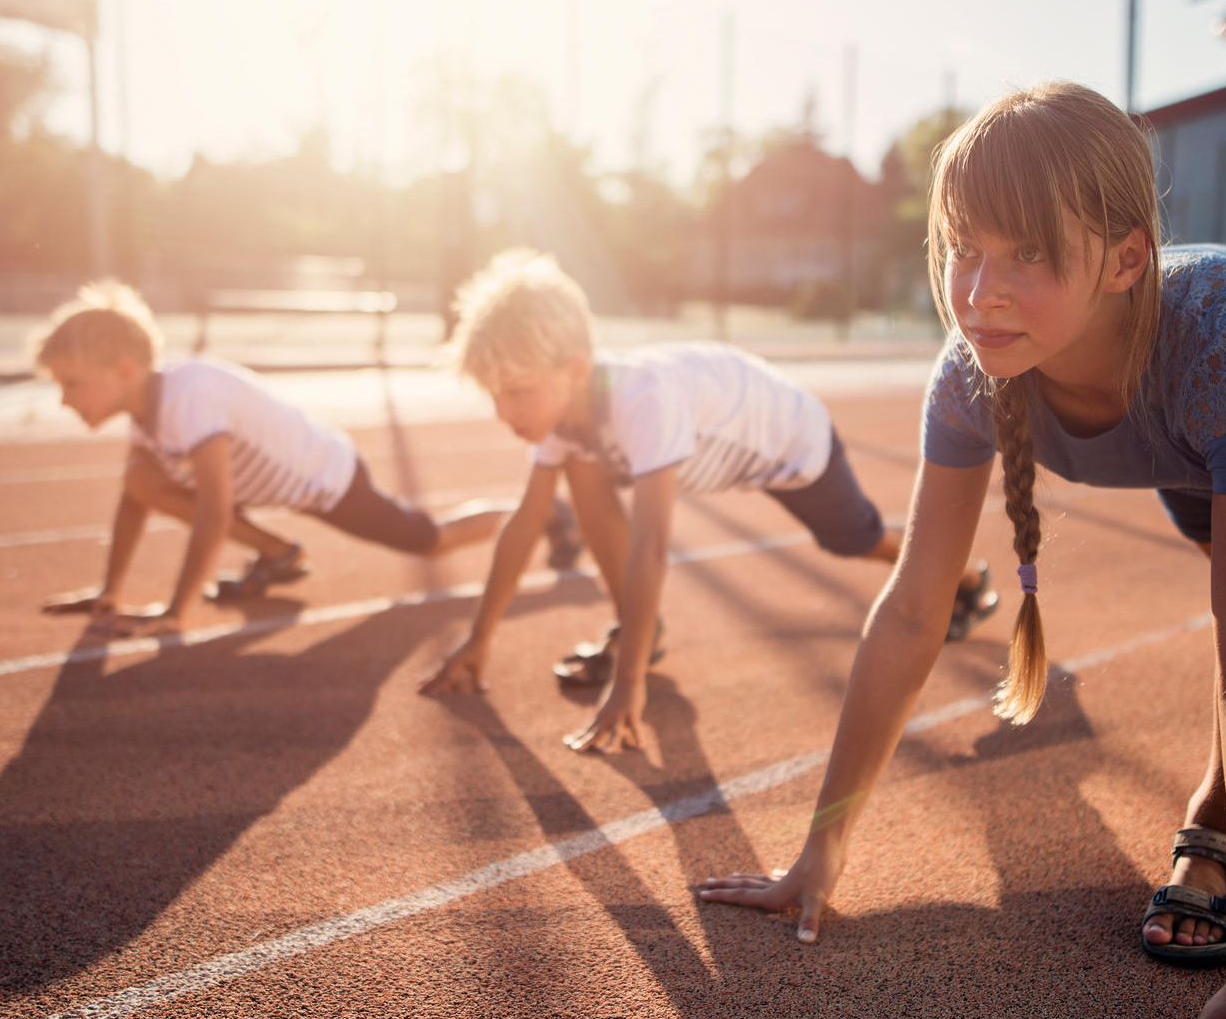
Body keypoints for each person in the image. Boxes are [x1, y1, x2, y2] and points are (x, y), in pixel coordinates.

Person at [697, 81, 1226, 1019]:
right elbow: (914, 608)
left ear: (1127, 257)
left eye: (1029, 255)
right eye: (965, 248)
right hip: (1205, 460)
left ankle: (1209, 827)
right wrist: (816, 850)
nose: (981, 292)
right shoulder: (971, 377)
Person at [418, 250, 1000, 752]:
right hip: (726, 436)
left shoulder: (641, 401)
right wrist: (478, 640)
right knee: (581, 469)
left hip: (791, 442)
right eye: (495, 396)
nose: (504, 413)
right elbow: (525, 524)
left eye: (516, 393)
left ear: (573, 370)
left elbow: (650, 549)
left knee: (854, 540)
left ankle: (964, 580)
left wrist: (627, 684)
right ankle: (639, 630)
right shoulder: (562, 417)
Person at [31, 281, 580, 637]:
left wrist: (177, 611)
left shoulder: (188, 398)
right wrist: (111, 593)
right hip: (271, 484)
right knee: (140, 479)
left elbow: (214, 511)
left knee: (426, 538)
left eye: (73, 384)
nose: (64, 399)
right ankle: (279, 555)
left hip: (326, 477)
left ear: (124, 370)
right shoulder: (147, 412)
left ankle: (549, 515)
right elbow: (135, 501)